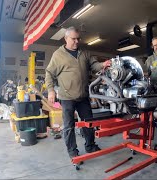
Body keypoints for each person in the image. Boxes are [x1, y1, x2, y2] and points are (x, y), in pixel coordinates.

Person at [45, 26, 111, 159]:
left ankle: (90, 146)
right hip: (67, 97)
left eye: (78, 39)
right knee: (69, 125)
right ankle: (72, 151)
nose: (76, 42)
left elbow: (94, 66)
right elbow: (49, 73)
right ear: (66, 38)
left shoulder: (85, 53)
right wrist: (51, 91)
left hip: (83, 96)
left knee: (88, 122)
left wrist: (103, 64)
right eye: (73, 39)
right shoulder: (58, 55)